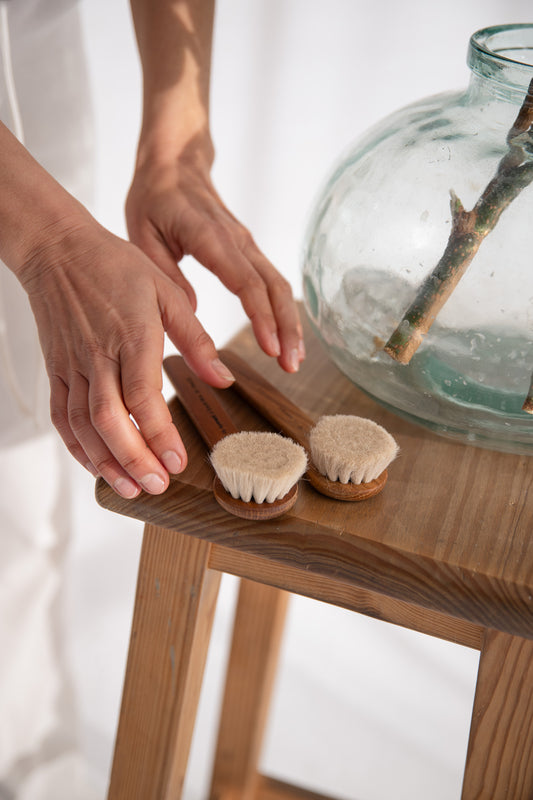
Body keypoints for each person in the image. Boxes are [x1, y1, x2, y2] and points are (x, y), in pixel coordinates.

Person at [0, 0, 304, 796]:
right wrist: (50, 242)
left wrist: (177, 140)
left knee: (23, 499)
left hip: (27, 59)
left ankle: (26, 755)